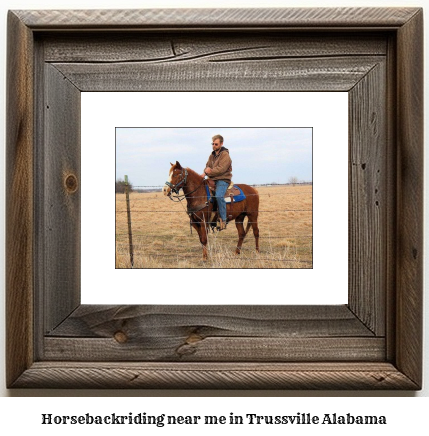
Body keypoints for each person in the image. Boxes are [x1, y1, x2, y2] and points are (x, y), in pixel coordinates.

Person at [201, 134, 232, 230]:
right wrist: (205, 171)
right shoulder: (212, 155)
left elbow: (221, 169)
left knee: (218, 196)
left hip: (223, 179)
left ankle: (223, 219)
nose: (214, 145)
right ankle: (210, 217)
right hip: (212, 179)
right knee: (204, 194)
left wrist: (210, 171)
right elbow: (207, 166)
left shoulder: (225, 155)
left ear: (221, 144)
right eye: (213, 144)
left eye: (216, 144)